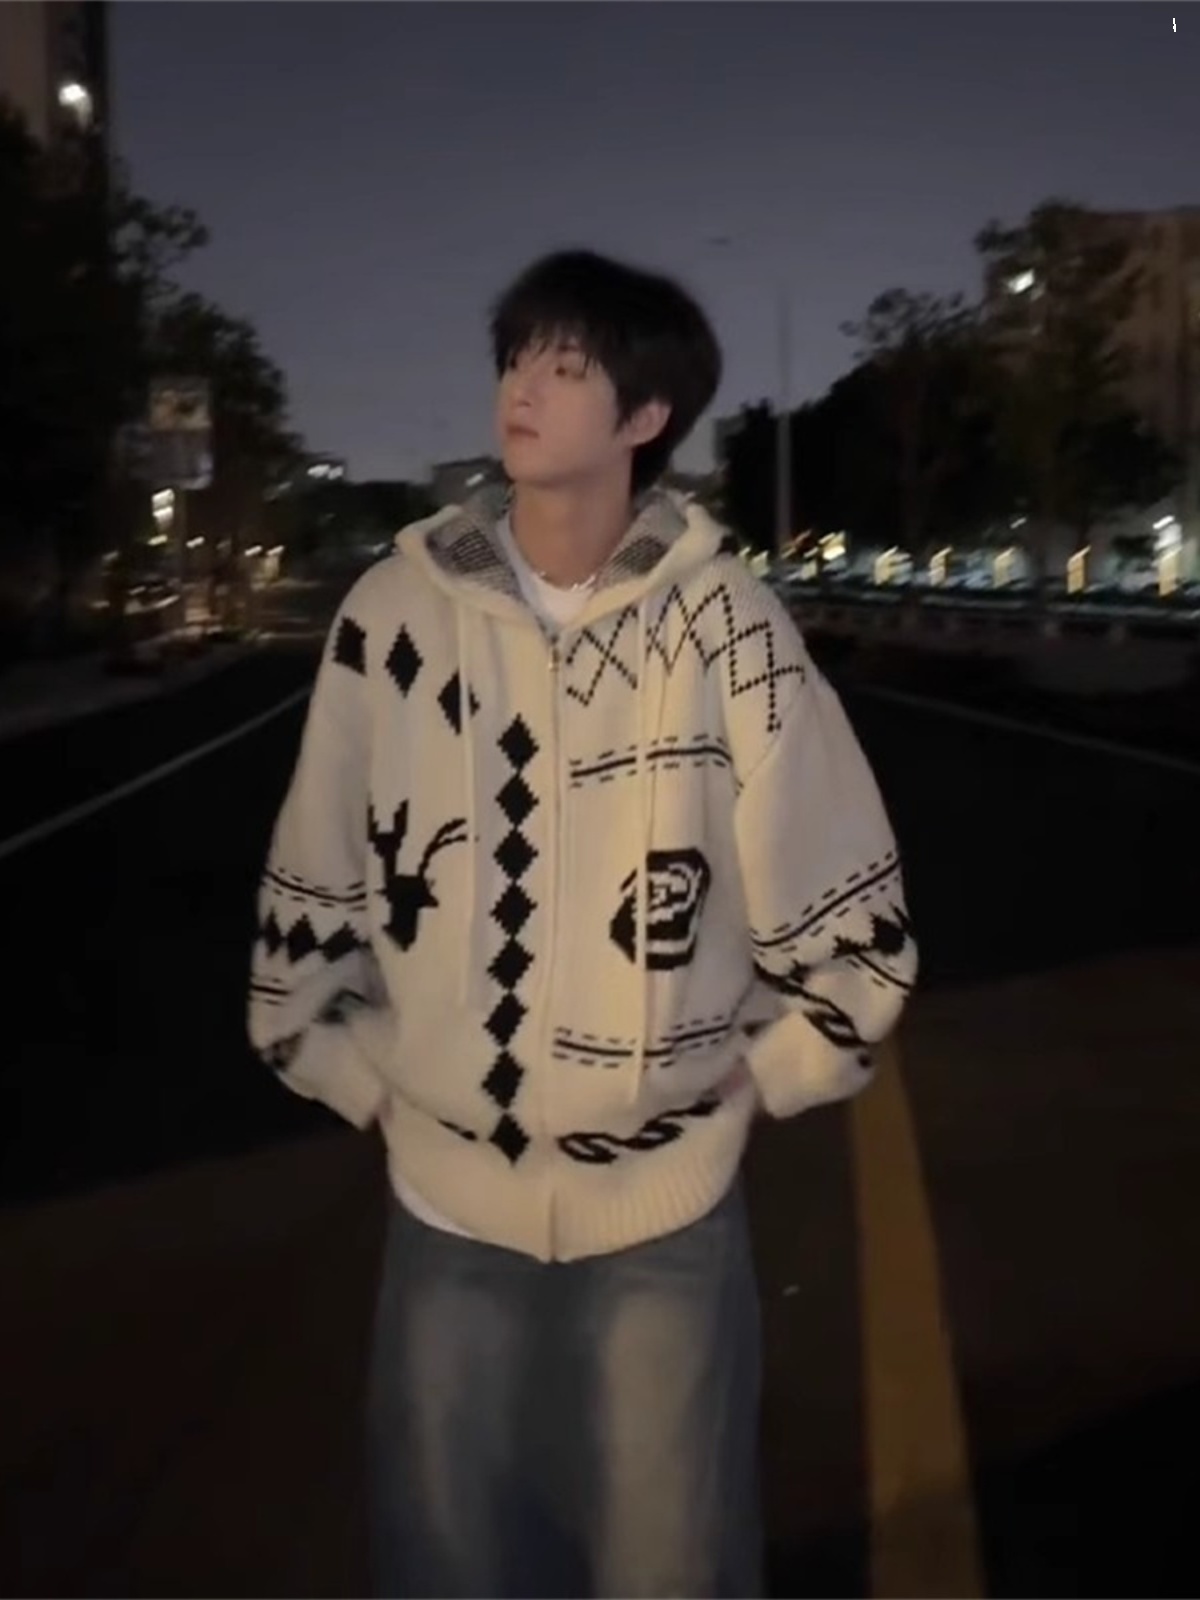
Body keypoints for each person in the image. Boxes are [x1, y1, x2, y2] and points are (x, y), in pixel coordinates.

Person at [248, 247, 917, 1598]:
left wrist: (770, 1070)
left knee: (670, 1562)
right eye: (516, 360)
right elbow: (316, 852)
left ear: (645, 416)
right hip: (443, 1198)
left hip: (664, 1210)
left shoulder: (727, 625)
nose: (523, 390)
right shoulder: (391, 617)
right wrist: (354, 1072)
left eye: (565, 367)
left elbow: (848, 891)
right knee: (446, 1562)